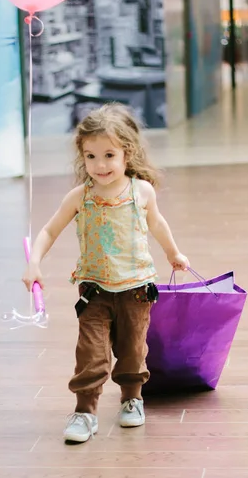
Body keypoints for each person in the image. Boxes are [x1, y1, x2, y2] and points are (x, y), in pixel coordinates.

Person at [22, 103, 190, 443]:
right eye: (91, 156)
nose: (100, 166)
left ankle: (132, 398)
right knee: (91, 352)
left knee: (132, 349)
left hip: (137, 290)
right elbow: (49, 231)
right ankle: (85, 412)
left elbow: (156, 223)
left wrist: (173, 253)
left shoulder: (141, 192)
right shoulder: (79, 197)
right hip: (94, 290)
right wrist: (34, 263)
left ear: (127, 153)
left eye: (109, 155)